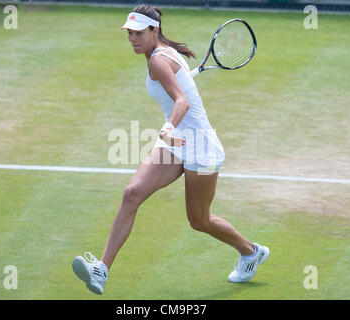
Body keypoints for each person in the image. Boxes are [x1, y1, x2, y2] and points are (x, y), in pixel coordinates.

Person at [72, 4, 269, 295]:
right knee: (132, 193)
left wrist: (167, 128)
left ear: (154, 30)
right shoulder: (163, 53)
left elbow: (182, 103)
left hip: (200, 148)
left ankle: (251, 252)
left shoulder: (157, 61)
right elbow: (179, 92)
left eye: (139, 33)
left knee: (199, 220)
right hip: (176, 143)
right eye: (129, 34)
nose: (132, 39)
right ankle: (101, 270)